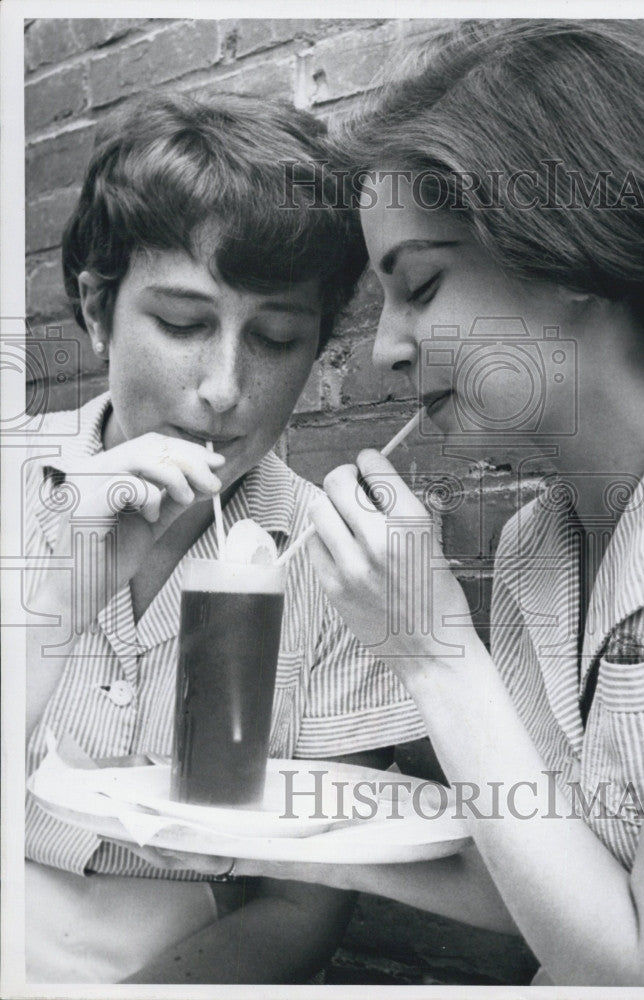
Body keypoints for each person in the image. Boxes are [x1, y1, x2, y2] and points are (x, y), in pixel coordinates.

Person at [151, 20, 644, 987]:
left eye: (420, 285)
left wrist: (431, 650)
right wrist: (238, 832)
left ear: (568, 253)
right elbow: (533, 871)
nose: (388, 348)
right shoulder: (535, 546)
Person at [23, 91, 427, 984]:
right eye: (182, 323)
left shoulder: (336, 561)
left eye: (277, 338)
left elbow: (303, 901)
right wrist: (55, 601)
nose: (222, 388)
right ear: (96, 309)